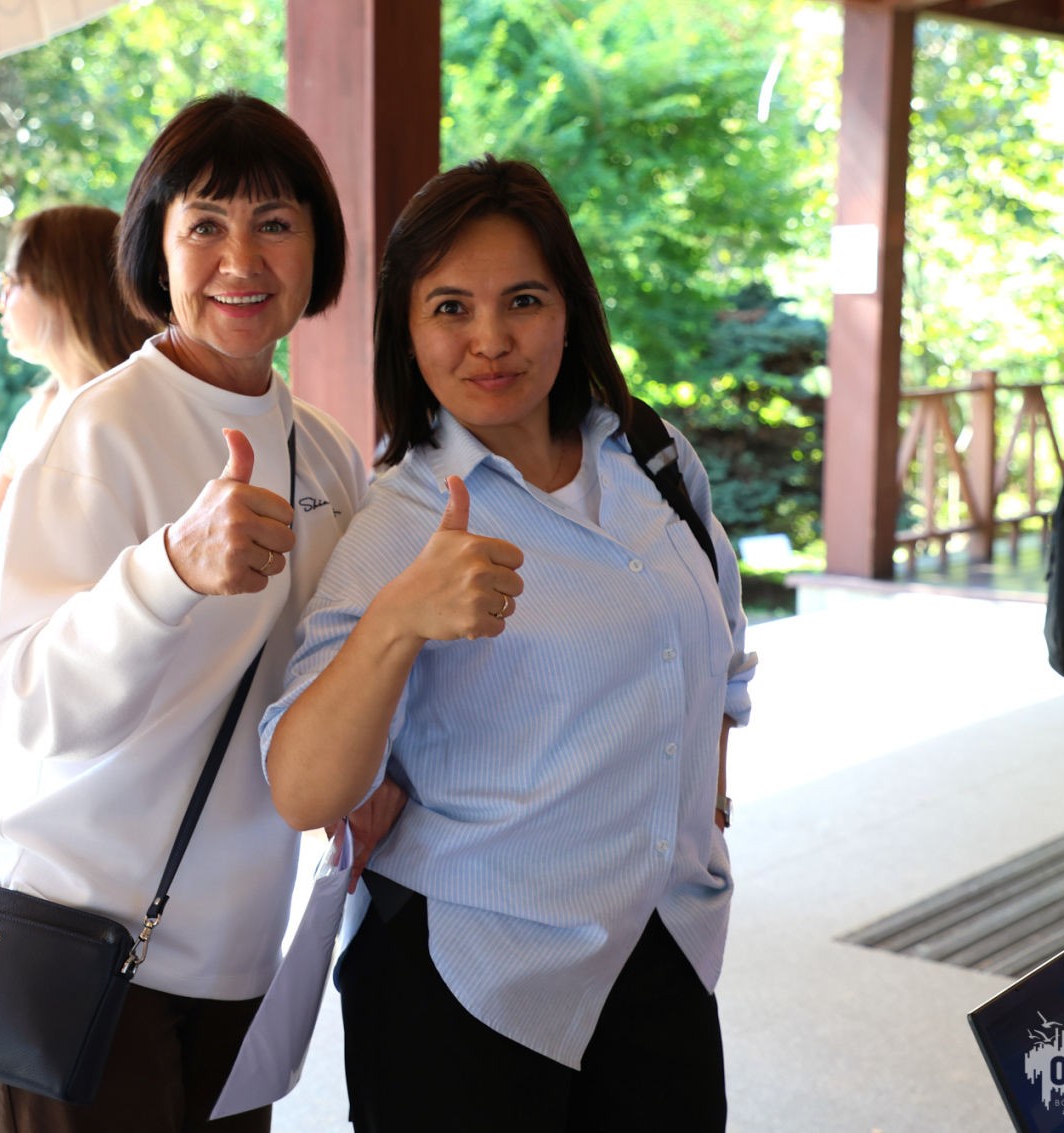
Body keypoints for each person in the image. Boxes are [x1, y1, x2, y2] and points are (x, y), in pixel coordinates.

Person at [261, 157, 758, 1131]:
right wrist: (397, 618)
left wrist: (703, 811)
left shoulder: (651, 456)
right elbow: (301, 789)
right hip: (468, 982)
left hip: (662, 949)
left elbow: (721, 654)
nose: (490, 339)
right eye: (449, 307)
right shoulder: (405, 519)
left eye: (522, 300)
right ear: (407, 331)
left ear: (569, 309)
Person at [0, 92, 369, 1132]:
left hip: (232, 954)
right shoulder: (99, 427)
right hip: (63, 936)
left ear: (317, 245)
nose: (242, 259)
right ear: (156, 246)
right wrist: (171, 568)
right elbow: (24, 695)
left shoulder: (324, 451)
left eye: (275, 223)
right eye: (206, 225)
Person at [0, 205, 158, 624]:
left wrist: (5, 595)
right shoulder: (36, 414)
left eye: (10, 283)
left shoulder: (141, 414)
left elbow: (147, 582)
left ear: (64, 289)